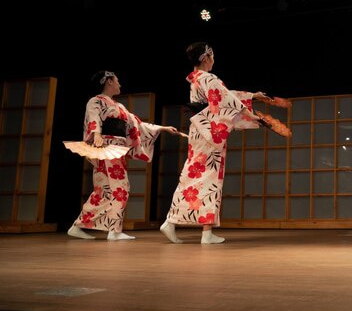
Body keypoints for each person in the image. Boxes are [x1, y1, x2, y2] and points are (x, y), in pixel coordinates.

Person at [160, 42, 270, 244]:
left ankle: (175, 223)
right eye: (212, 56)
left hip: (200, 131)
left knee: (193, 176)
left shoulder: (198, 79)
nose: (214, 60)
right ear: (205, 58)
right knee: (209, 179)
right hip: (208, 134)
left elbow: (226, 96)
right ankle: (203, 232)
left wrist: (253, 96)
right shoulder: (207, 78)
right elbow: (226, 99)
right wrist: (251, 116)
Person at [68, 71, 180, 240]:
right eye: (117, 81)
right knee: (121, 188)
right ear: (109, 82)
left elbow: (138, 125)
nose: (120, 84)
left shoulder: (119, 107)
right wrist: (96, 133)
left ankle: (78, 226)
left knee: (103, 191)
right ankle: (114, 231)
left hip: (116, 148)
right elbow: (93, 117)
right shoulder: (96, 101)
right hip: (106, 146)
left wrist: (162, 128)